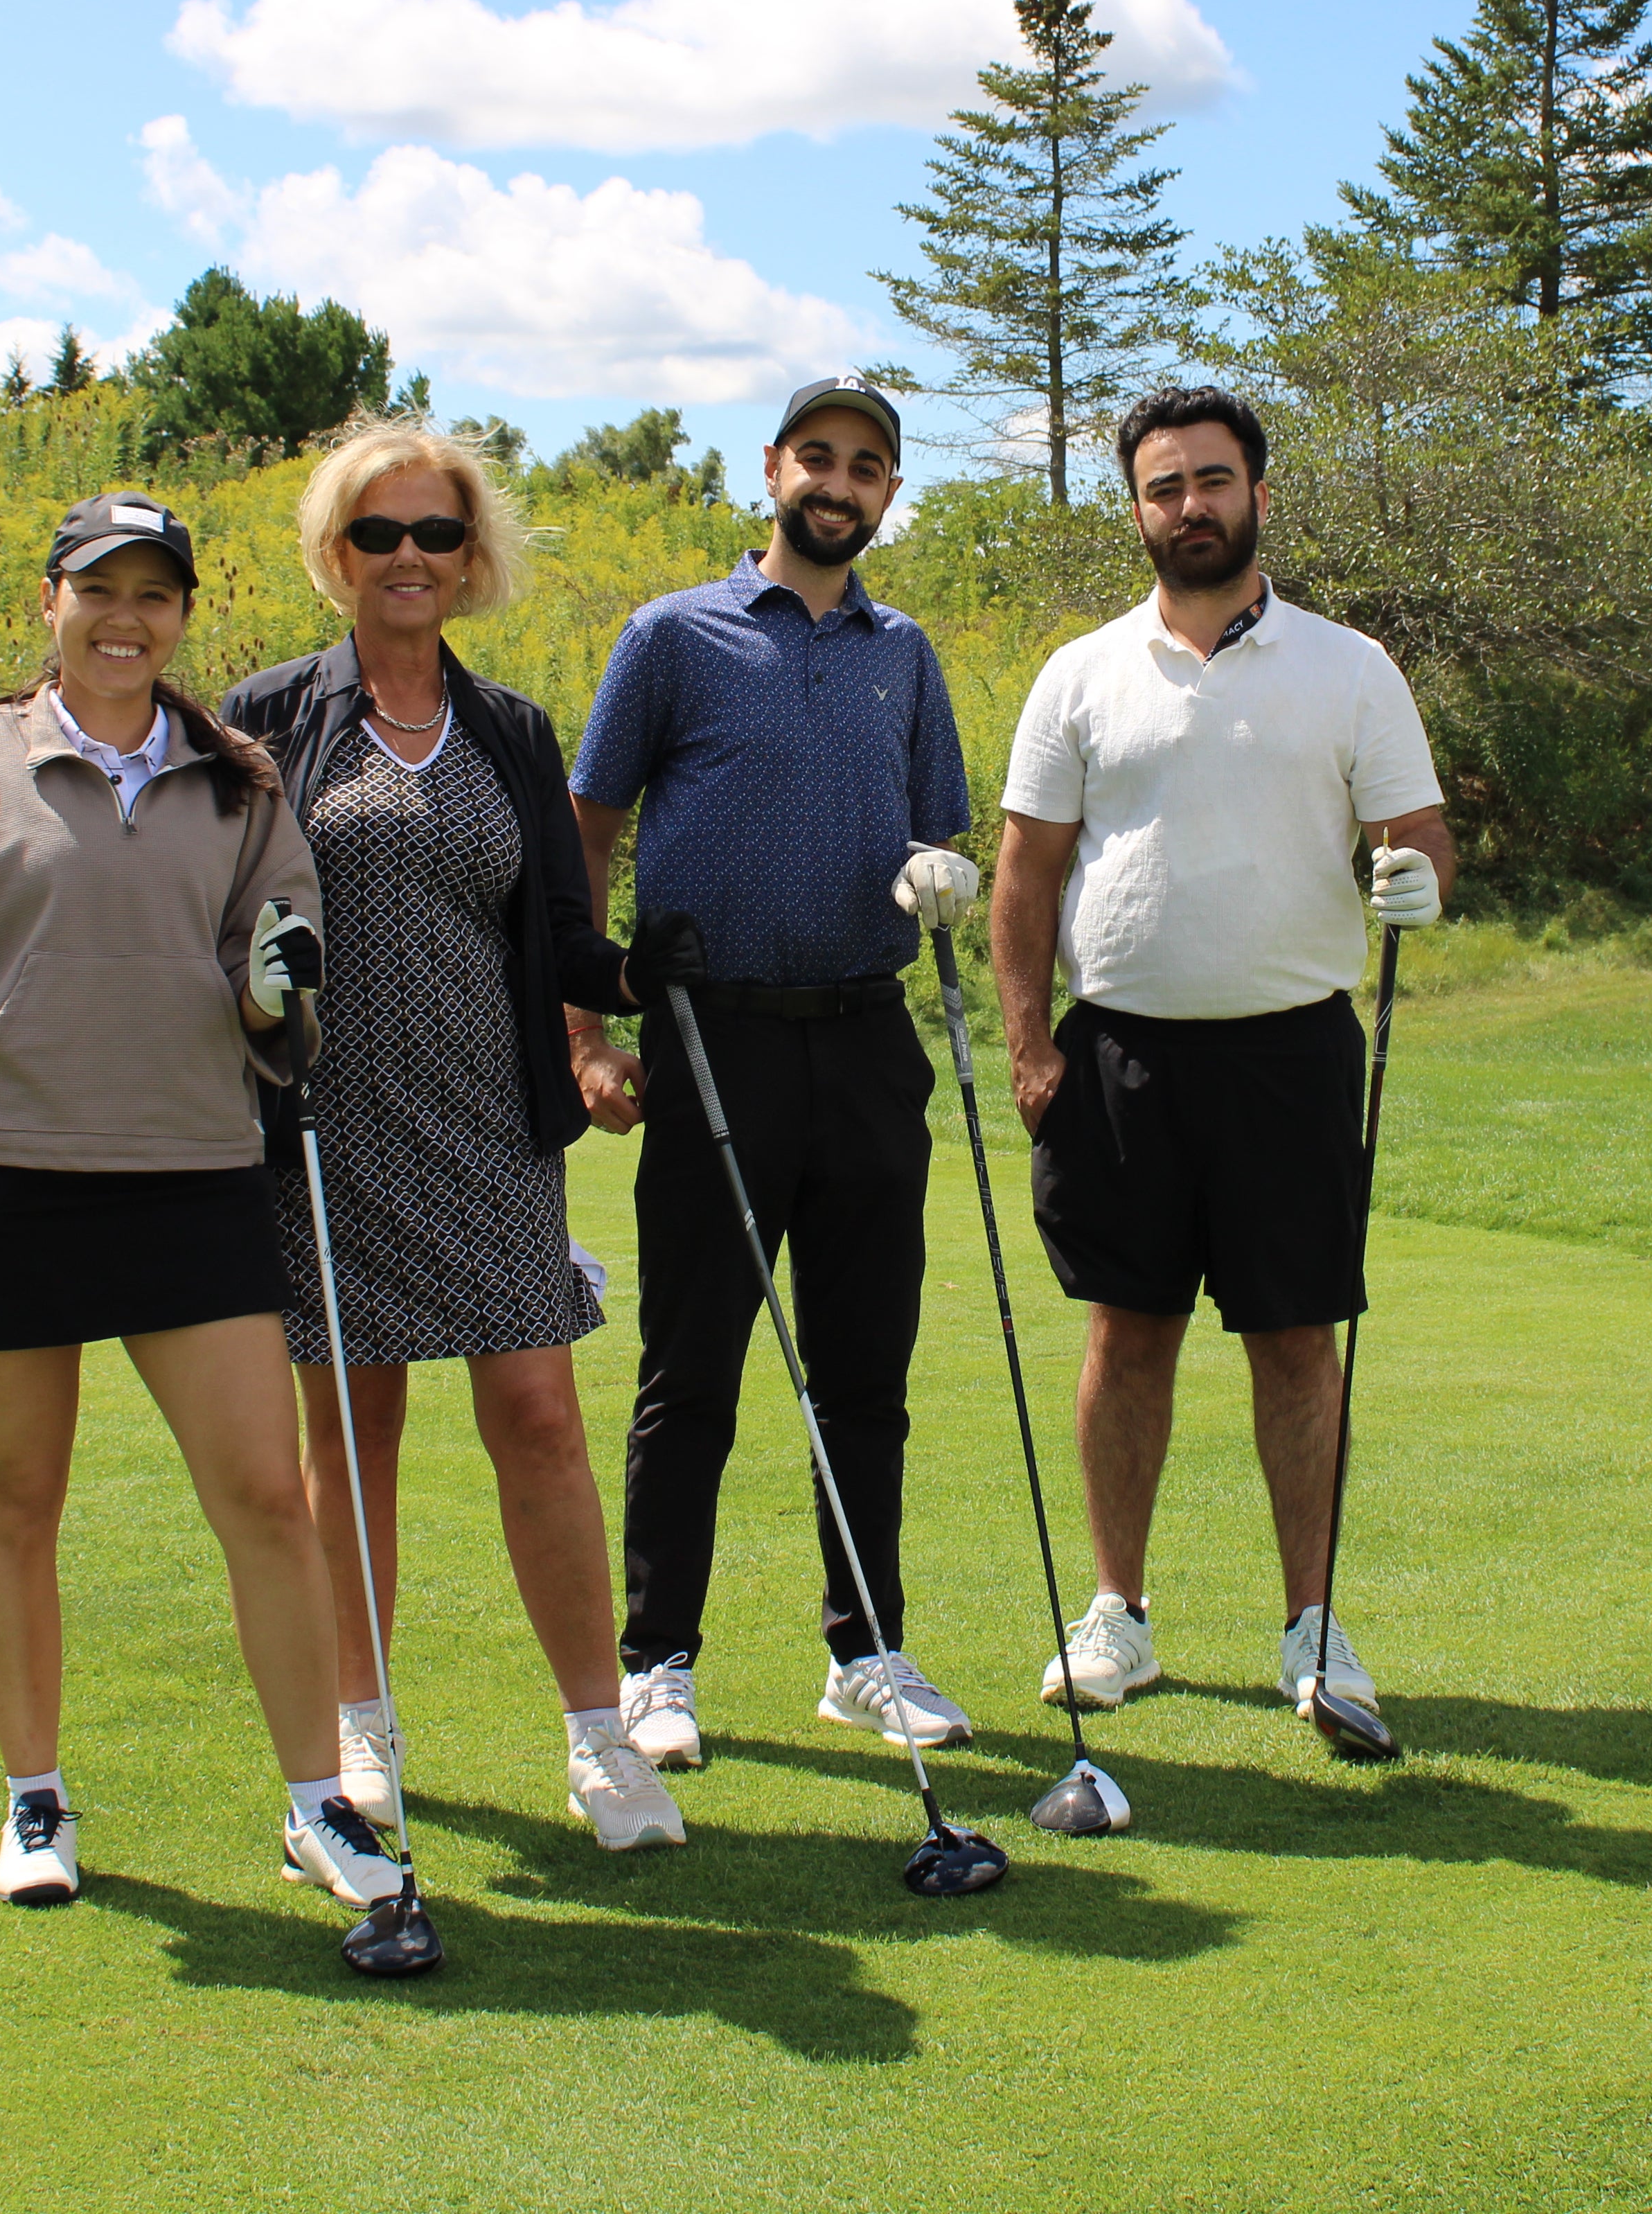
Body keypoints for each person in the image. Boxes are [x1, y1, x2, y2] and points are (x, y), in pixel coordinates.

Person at [0, 490, 414, 1920]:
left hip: (193, 1179)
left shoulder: (241, 776)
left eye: (155, 594)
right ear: (51, 599)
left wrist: (276, 988)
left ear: (180, 617)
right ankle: (34, 1796)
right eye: (101, 588)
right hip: (2, 1173)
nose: (126, 617)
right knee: (17, 1498)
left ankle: (314, 1806)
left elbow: (284, 967)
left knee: (268, 1501)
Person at [222, 420, 704, 1854]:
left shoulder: (510, 730)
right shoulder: (268, 718)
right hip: (324, 1122)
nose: (411, 558)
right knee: (352, 1434)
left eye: (437, 533)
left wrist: (628, 974)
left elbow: (554, 931)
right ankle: (363, 1730)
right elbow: (223, 916)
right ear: (337, 555)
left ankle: (596, 1737)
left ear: (472, 552)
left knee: (541, 1420)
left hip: (489, 1121)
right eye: (380, 534)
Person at [986, 387, 1453, 1738]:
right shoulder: (1080, 670)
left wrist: (1417, 878)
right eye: (1164, 486)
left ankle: (1312, 1627)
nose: (1189, 505)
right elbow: (1028, 873)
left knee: (1296, 1340)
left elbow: (1415, 828)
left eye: (1212, 479)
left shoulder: (1350, 664)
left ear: (1257, 490)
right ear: (1136, 508)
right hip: (1119, 1054)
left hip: (1292, 1053)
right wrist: (1026, 1042)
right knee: (1127, 1334)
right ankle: (1117, 1614)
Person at [565, 375, 984, 1768]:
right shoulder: (672, 637)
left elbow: (942, 834)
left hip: (867, 1038)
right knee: (692, 1370)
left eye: (868, 464)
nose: (841, 481)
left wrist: (944, 877)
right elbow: (591, 826)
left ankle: (864, 1651)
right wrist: (587, 1021)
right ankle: (657, 1662)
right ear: (773, 468)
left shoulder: (902, 650)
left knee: (865, 1371)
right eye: (820, 456)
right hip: (711, 1037)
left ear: (888, 492)